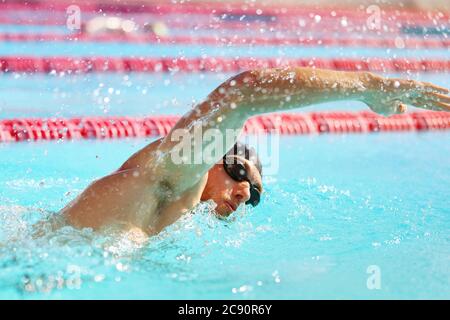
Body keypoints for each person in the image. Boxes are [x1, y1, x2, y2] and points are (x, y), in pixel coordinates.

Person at [60, 67, 449, 236]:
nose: (246, 192)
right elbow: (244, 91)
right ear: (213, 157)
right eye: (241, 172)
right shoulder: (172, 177)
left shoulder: (167, 212)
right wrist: (367, 87)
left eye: (255, 195)